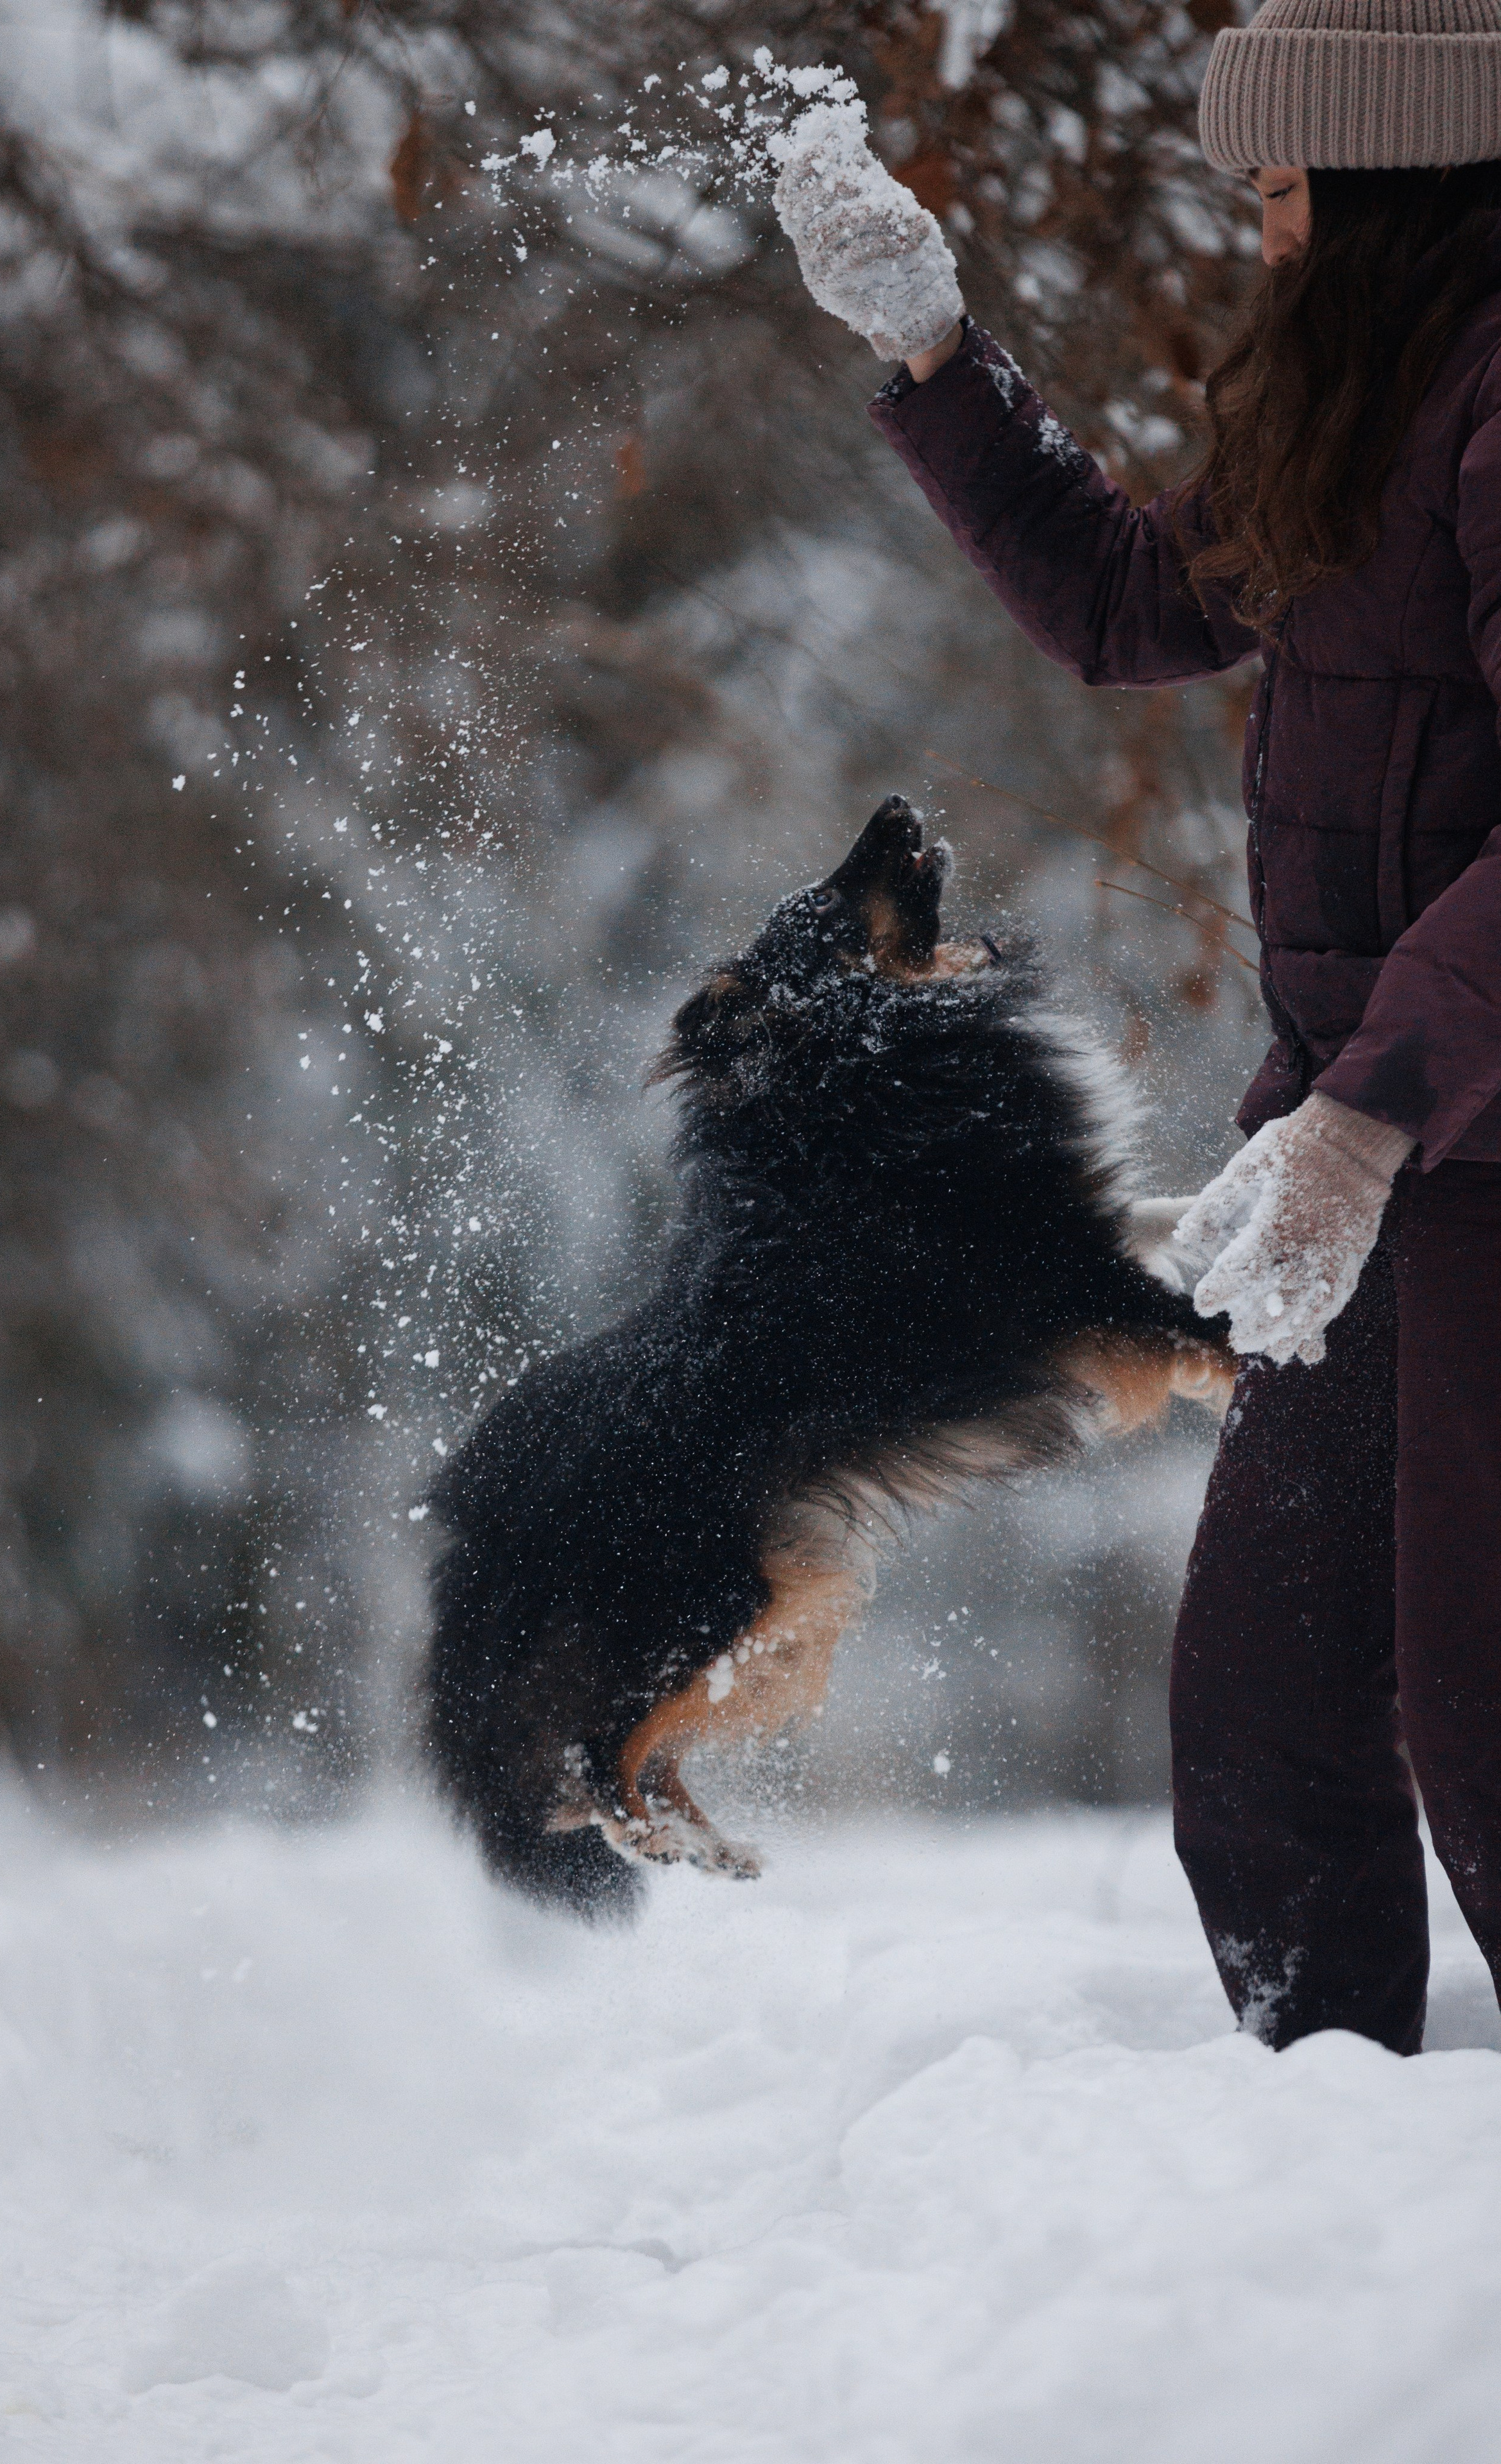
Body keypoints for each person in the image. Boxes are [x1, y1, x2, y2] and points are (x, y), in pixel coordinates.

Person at [774, 0, 1501, 2056]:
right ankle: (1309, 2146)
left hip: (1442, 1133)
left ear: (1401, 182)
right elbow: (1121, 601)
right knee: (1266, 1709)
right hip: (1355, 1140)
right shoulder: (1355, 406)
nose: (1263, 236)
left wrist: (1375, 1120)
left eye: (1282, 191)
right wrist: (930, 348)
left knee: (1485, 1714)